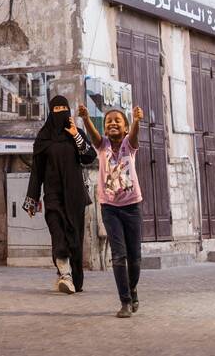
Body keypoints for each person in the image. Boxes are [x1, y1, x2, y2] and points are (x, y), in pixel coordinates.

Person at [23, 94, 96, 293]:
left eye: (63, 109)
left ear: (68, 111)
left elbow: (90, 157)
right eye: (55, 110)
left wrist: (76, 135)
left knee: (74, 238)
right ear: (50, 112)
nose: (59, 113)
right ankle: (65, 274)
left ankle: (74, 278)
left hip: (75, 196)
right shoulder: (43, 138)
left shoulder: (76, 134)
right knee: (57, 233)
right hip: (52, 195)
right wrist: (32, 200)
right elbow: (36, 172)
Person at [77, 102, 144, 318]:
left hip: (132, 206)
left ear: (124, 128)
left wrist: (136, 121)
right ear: (105, 128)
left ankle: (132, 289)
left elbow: (134, 136)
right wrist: (86, 118)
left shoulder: (128, 145)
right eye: (109, 121)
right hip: (110, 208)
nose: (113, 123)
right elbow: (94, 136)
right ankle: (124, 301)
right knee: (118, 255)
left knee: (135, 257)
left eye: (118, 121)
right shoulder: (102, 145)